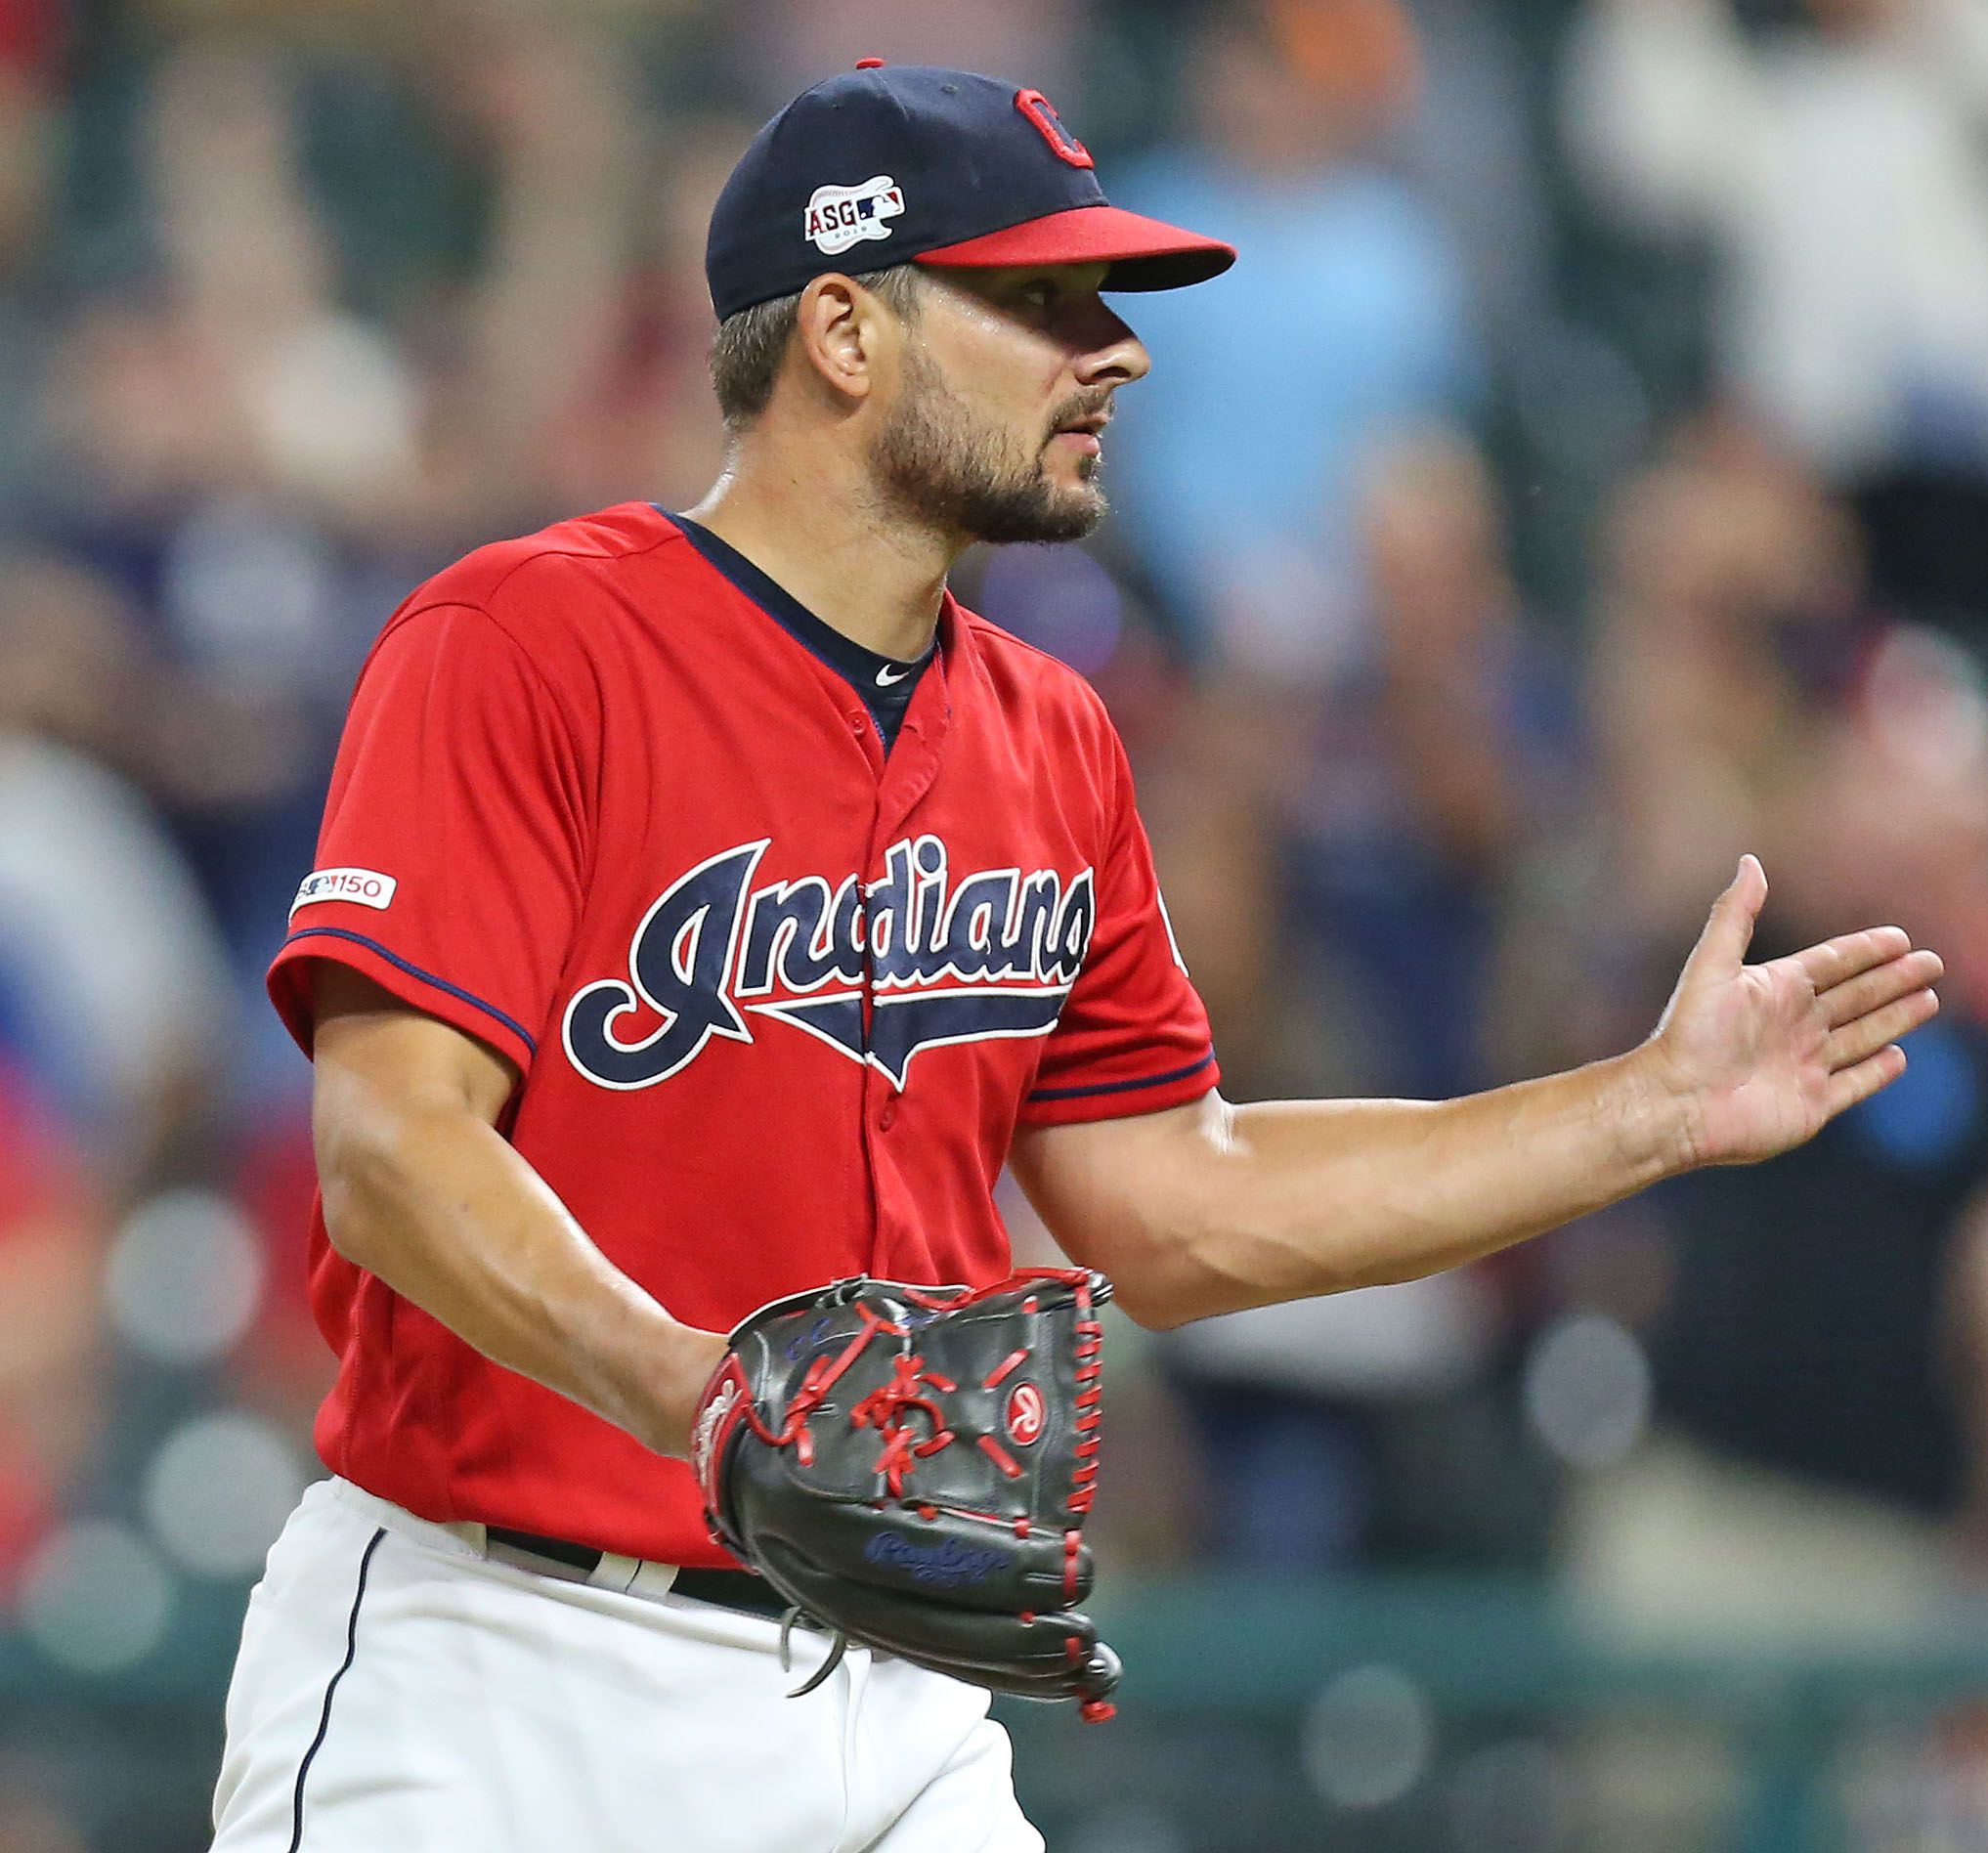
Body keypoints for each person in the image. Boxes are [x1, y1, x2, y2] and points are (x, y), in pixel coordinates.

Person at [208, 63, 1942, 1853]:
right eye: (1037, 300)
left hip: (895, 1697)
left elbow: (1176, 1208)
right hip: (505, 1664)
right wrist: (689, 1386)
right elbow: (392, 1150)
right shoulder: (528, 639)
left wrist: (1642, 1115)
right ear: (841, 333)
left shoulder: (1053, 734)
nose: (1108, 349)